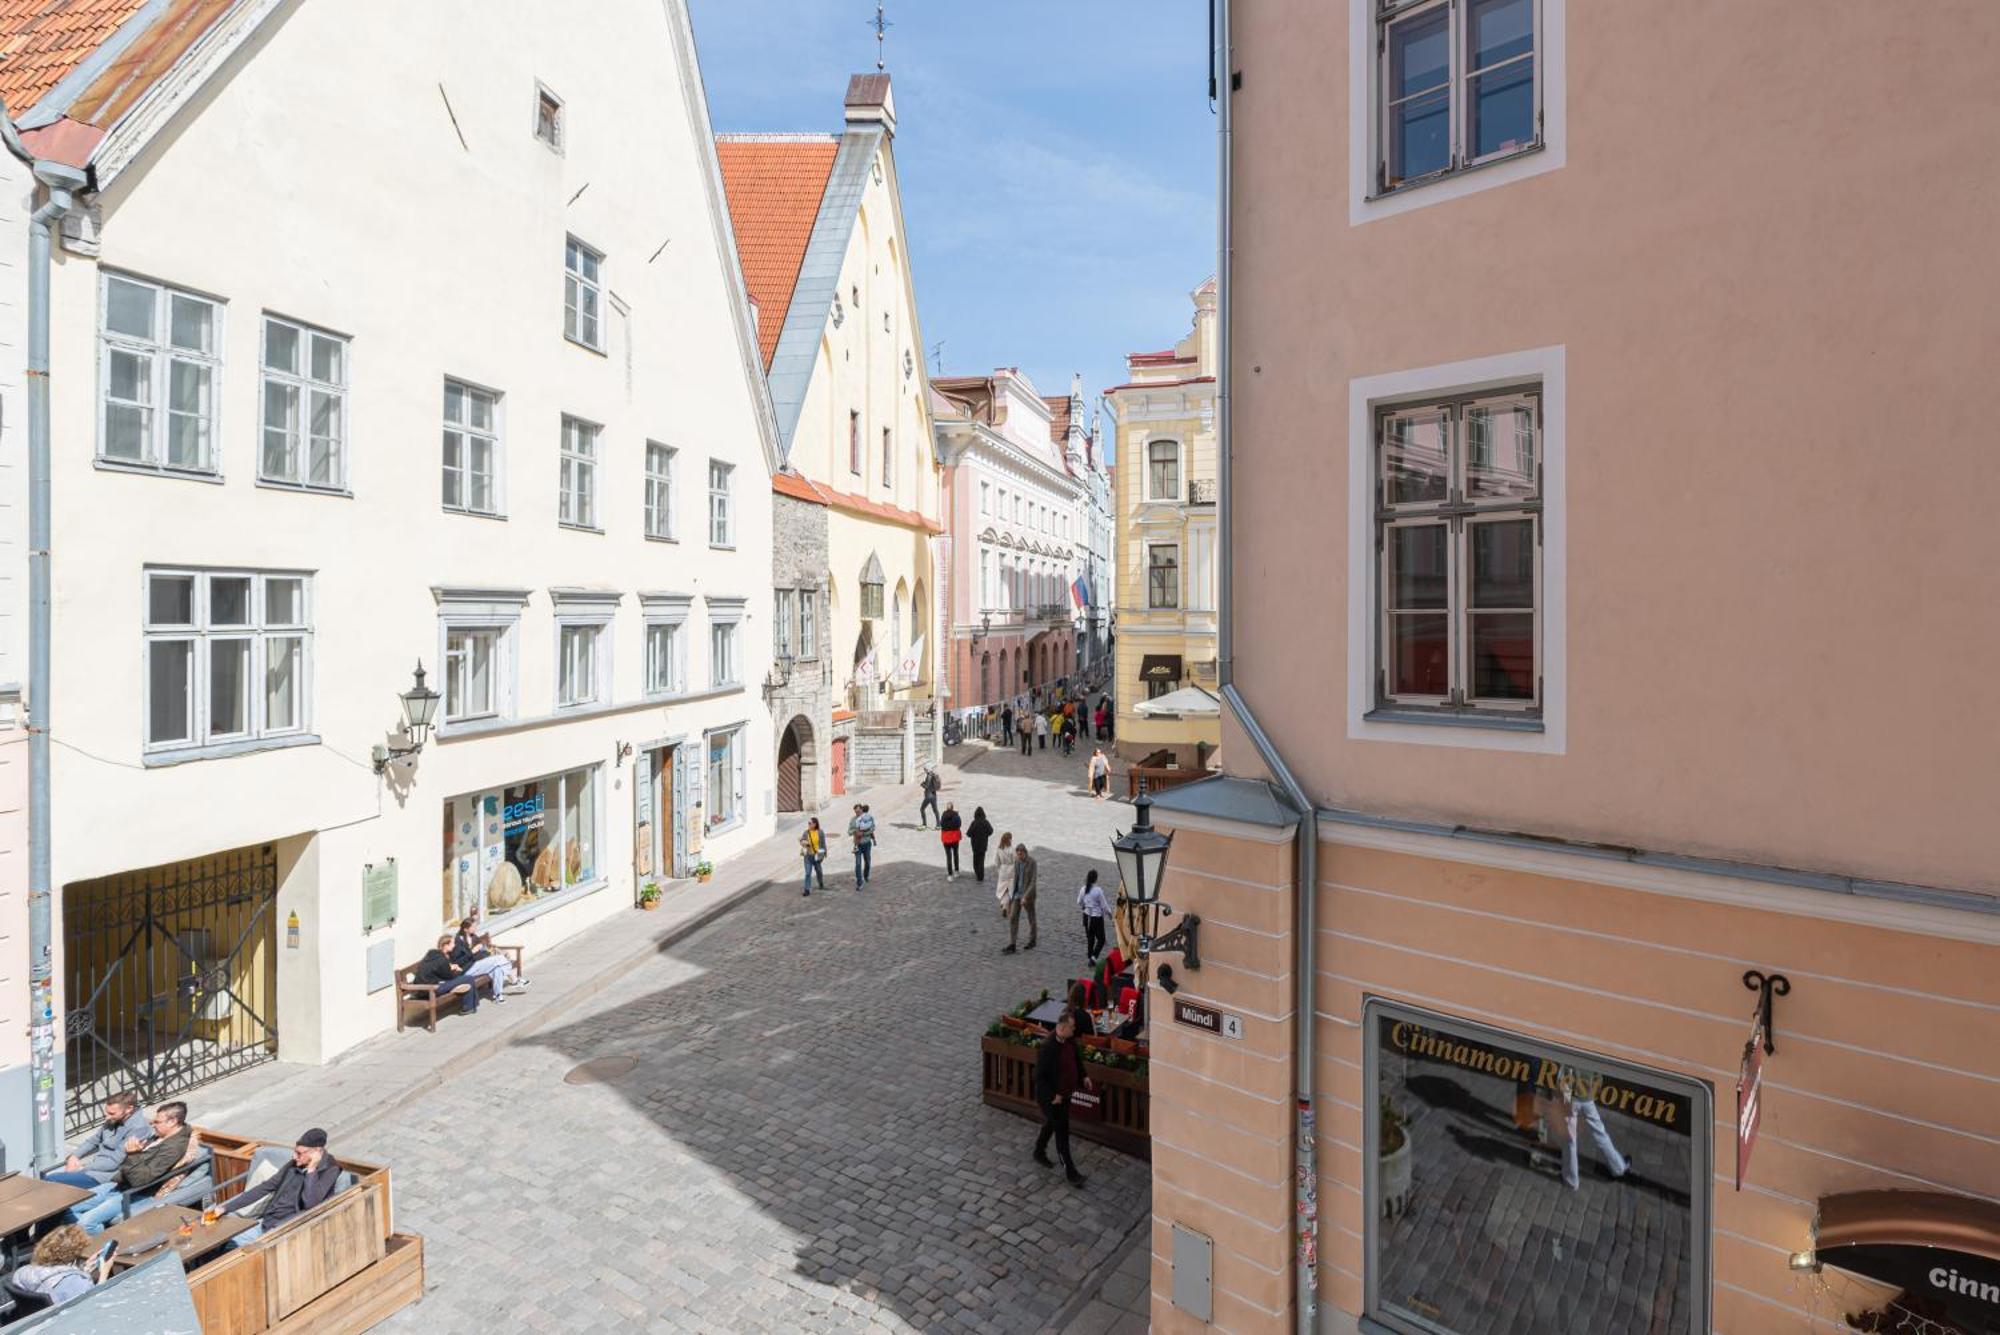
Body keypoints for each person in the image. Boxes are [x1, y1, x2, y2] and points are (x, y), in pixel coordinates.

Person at [68, 1101, 193, 1234]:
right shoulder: (159, 1137)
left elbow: (140, 1180)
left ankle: (105, 1249)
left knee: (86, 1223)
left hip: (136, 1193)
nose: (152, 1124)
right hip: (119, 1184)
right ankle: (85, 1238)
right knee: (69, 1208)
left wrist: (133, 1154)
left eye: (157, 1122)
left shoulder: (173, 1148)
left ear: (172, 1121)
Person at [222, 1127, 343, 1248]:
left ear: (317, 1152)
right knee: (225, 1241)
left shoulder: (330, 1170)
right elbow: (265, 1187)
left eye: (299, 1153)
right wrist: (225, 1208)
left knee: (235, 1252)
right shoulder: (294, 1164)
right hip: (266, 1224)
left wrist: (312, 1169)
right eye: (295, 1152)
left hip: (283, 1233)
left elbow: (310, 1203)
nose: (294, 1157)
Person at [1033, 1009, 1091, 1187]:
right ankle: (1071, 1173)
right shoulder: (1048, 1048)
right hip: (1052, 1099)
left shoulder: (1069, 1041)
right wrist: (1053, 1096)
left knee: (1053, 1124)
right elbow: (1039, 1077)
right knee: (1062, 1132)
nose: (1075, 1030)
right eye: (1072, 1027)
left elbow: (1076, 1060)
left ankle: (1038, 1151)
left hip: (1065, 1094)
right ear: (1063, 1028)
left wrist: (1084, 1076)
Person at [43, 1091, 144, 1189]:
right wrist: (74, 1156)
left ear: (129, 1109)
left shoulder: (139, 1129)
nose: (107, 1117)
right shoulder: (114, 1119)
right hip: (94, 1168)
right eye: (107, 1112)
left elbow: (114, 1162)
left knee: (51, 1180)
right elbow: (93, 1141)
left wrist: (82, 1168)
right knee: (48, 1180)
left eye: (112, 1113)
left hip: (106, 1175)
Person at [11, 1225, 111, 1305]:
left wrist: (82, 1270)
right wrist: (104, 1274)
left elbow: (57, 1275)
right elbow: (94, 1304)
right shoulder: (75, 1283)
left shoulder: (24, 1272)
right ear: (73, 1256)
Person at [450, 918, 528, 1004]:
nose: (475, 928)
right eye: (473, 927)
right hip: (468, 968)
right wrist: (472, 952)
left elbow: (481, 946)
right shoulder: (457, 941)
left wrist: (480, 947)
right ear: (465, 929)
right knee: (500, 958)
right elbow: (458, 961)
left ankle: (498, 996)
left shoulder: (472, 936)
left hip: (478, 963)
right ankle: (514, 980)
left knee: (498, 968)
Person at [412, 935, 492, 1014]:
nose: (454, 946)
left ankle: (471, 1006)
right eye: (452, 943)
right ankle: (469, 1007)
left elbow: (437, 970)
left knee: (467, 979)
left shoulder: (432, 954)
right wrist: (457, 969)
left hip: (424, 989)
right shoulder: (441, 959)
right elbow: (449, 977)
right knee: (468, 979)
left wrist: (450, 967)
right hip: (431, 989)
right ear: (445, 945)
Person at [1002, 842, 1038, 953]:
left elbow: (1033, 882)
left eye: (1021, 854)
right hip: (1017, 894)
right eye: (1017, 854)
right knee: (1013, 917)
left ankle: (1033, 940)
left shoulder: (1032, 863)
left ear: (1025, 853)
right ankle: (1012, 944)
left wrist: (1025, 896)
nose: (1019, 856)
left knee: (1031, 917)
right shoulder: (1017, 862)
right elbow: (1015, 878)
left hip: (1028, 895)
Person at [1078, 869, 1112, 962]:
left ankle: (1090, 956)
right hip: (1096, 918)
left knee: (1090, 938)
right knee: (1101, 939)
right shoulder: (1098, 891)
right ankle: (1094, 957)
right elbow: (1104, 905)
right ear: (1096, 879)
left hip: (1086, 916)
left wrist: (1084, 906)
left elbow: (1079, 902)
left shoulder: (1083, 889)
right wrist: (1110, 914)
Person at [799, 816, 830, 896]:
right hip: (808, 856)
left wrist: (824, 853)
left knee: (819, 871)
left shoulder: (820, 832)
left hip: (817, 856)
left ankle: (821, 883)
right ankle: (807, 889)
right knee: (808, 873)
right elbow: (802, 840)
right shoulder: (806, 832)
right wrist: (803, 842)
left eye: (810, 823)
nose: (809, 825)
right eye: (808, 823)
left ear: (815, 824)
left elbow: (823, 844)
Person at [847, 804, 876, 888]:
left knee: (867, 862)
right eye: (856, 812)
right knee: (858, 864)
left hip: (866, 843)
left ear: (862, 810)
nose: (857, 813)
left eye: (859, 811)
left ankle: (866, 876)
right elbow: (849, 832)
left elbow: (872, 828)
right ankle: (859, 882)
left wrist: (863, 833)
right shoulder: (853, 820)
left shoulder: (868, 817)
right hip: (858, 845)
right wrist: (855, 831)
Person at [966, 807, 994, 882]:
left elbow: (968, 833)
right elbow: (991, 831)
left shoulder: (974, 822)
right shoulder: (986, 822)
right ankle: (980, 877)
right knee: (981, 861)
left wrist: (973, 835)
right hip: (983, 844)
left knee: (975, 860)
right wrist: (986, 835)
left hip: (975, 845)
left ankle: (977, 873)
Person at [939, 803, 963, 879]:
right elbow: (959, 824)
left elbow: (942, 825)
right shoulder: (956, 815)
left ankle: (950, 875)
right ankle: (956, 871)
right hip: (955, 838)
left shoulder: (943, 816)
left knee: (948, 857)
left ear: (946, 808)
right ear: (952, 808)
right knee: (956, 854)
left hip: (946, 838)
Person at [994, 832, 1016, 917]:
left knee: (1003, 888)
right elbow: (1015, 861)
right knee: (1009, 889)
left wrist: (999, 870)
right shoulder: (1011, 849)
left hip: (1002, 870)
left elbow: (996, 862)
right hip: (1011, 870)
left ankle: (1003, 903)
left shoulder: (999, 849)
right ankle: (1005, 905)